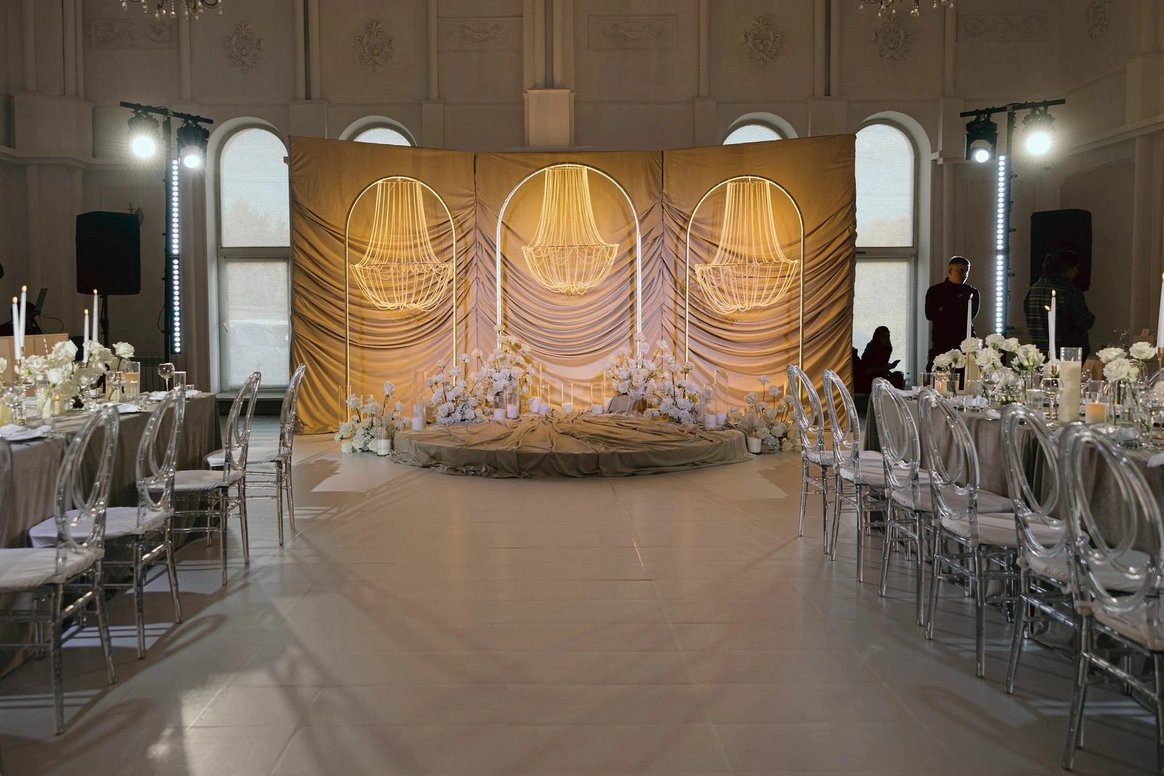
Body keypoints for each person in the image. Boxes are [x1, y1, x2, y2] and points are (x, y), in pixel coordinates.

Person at [1023, 249, 1095, 361]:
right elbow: (1084, 322)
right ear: (1066, 269)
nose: (1077, 272)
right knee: (1069, 374)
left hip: (1039, 352)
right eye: (1075, 268)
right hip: (1068, 353)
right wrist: (1091, 317)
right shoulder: (1070, 292)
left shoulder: (1032, 291)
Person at [925, 256, 980, 369]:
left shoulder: (971, 292)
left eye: (966, 272)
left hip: (964, 343)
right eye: (960, 271)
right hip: (941, 342)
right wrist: (957, 307)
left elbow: (971, 315)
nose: (964, 275)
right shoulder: (935, 291)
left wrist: (944, 309)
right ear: (950, 270)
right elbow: (930, 314)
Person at [858, 326, 905, 392]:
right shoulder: (870, 350)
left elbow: (882, 367)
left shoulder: (887, 349)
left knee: (898, 377)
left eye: (888, 337)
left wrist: (889, 367)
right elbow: (866, 371)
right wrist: (884, 368)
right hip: (868, 379)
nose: (887, 339)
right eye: (885, 337)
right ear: (878, 338)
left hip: (880, 377)